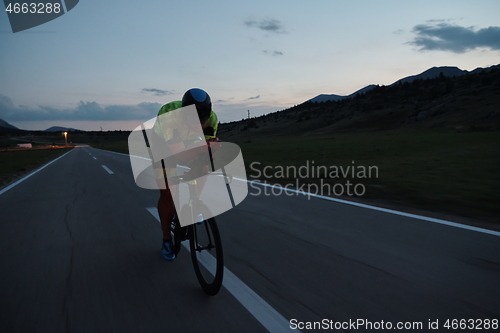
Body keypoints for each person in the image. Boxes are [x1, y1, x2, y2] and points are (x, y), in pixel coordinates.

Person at [152, 88, 219, 261]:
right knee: (168, 193)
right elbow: (179, 155)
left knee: (204, 164)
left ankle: (194, 204)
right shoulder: (169, 116)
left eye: (201, 121)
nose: (199, 124)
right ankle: (166, 239)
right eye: (194, 120)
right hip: (163, 144)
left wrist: (210, 150)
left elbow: (207, 150)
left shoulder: (212, 119)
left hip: (190, 140)